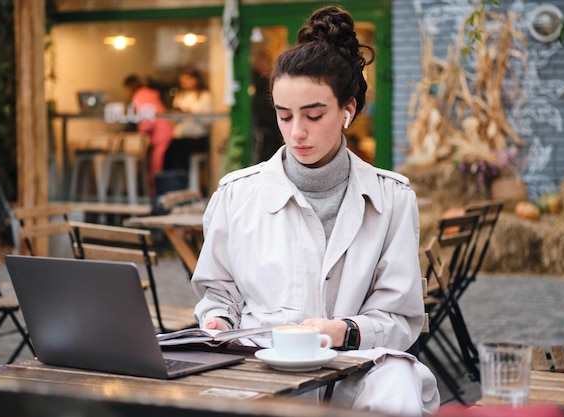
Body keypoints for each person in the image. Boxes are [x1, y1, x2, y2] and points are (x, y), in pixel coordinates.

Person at [191, 6, 440, 416]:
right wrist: (217, 319)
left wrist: (344, 330)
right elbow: (219, 291)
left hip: (356, 372)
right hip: (262, 370)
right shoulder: (236, 194)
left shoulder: (393, 198)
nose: (296, 132)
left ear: (348, 111)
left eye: (313, 114)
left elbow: (399, 316)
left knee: (399, 383)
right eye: (284, 116)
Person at [123, 74, 174, 195]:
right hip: (165, 133)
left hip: (159, 136)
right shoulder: (149, 94)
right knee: (158, 168)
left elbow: (147, 120)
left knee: (157, 170)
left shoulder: (140, 96)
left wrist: (140, 134)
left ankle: (158, 199)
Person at [171, 65, 213, 139]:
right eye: (183, 79)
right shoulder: (180, 96)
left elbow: (209, 120)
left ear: (196, 80)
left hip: (197, 135)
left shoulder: (204, 96)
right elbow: (173, 118)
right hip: (181, 134)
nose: (185, 81)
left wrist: (192, 114)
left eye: (188, 79)